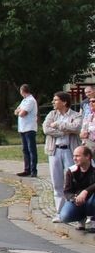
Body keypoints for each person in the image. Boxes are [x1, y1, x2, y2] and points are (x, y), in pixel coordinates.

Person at [43, 91, 82, 220]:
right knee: (57, 183)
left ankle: (74, 211)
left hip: (70, 151)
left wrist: (59, 125)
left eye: (55, 100)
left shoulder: (75, 115)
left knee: (72, 181)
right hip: (55, 151)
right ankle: (59, 213)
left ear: (64, 102)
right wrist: (63, 132)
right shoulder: (52, 114)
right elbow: (46, 128)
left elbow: (76, 128)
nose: (53, 102)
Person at [59, 144, 95, 231]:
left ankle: (93, 219)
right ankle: (81, 218)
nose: (74, 158)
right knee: (65, 216)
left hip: (92, 199)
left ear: (87, 156)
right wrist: (74, 198)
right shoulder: (71, 171)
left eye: (78, 156)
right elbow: (67, 191)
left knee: (92, 201)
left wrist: (85, 192)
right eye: (74, 156)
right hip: (78, 200)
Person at [15, 84, 39, 178]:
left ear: (22, 91)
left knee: (31, 149)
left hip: (29, 128)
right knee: (25, 150)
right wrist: (19, 111)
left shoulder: (30, 100)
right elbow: (16, 111)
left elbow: (22, 113)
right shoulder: (24, 100)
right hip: (23, 128)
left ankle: (33, 170)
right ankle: (27, 169)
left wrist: (19, 111)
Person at [80, 85, 95, 152]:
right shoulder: (84, 102)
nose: (87, 94)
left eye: (89, 92)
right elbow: (81, 114)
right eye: (86, 92)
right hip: (87, 125)